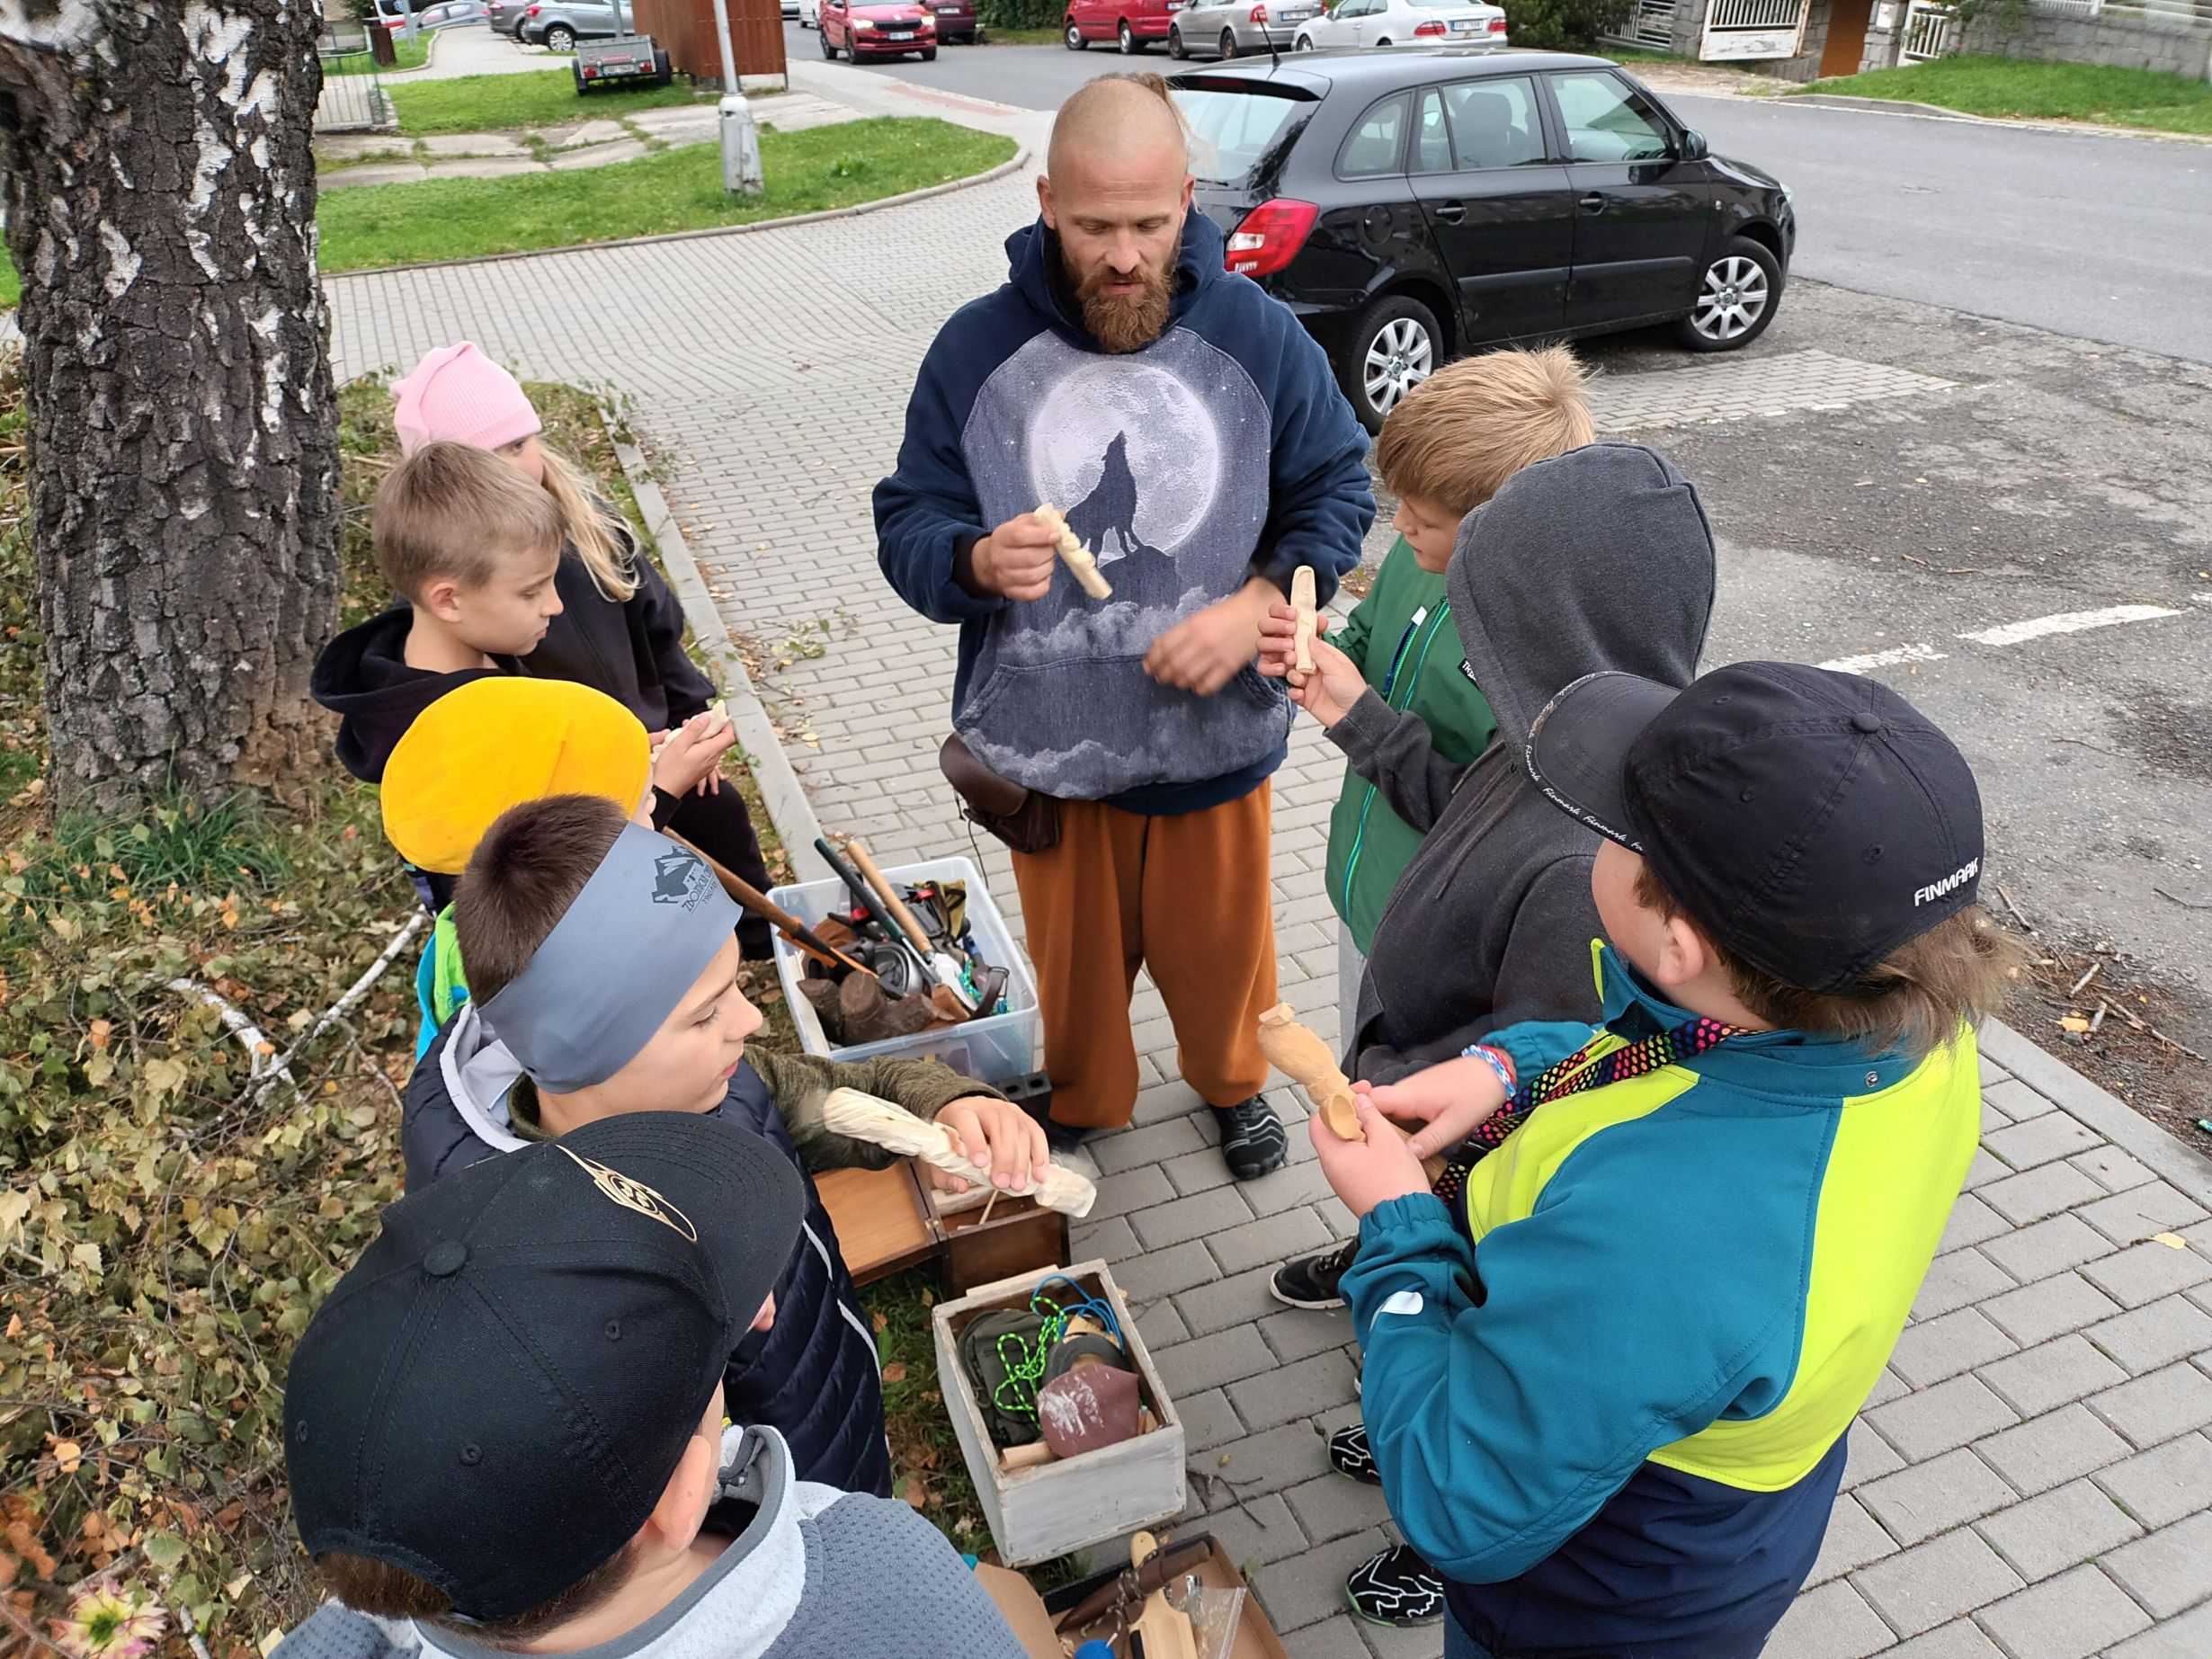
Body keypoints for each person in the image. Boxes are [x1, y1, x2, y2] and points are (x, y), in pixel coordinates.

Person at [1310, 661, 2024, 1658]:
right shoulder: (1901, 1030)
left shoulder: (1671, 1236)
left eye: (1614, 829)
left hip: (1595, 1602)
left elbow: (1457, 1502)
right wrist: (1508, 1068)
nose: (1596, 835)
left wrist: (1397, 1229)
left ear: (1679, 940)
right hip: (1726, 1513)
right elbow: (1697, 1063)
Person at [873, 72, 1374, 1180]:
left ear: (1186, 199)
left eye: (1150, 224)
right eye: (1095, 225)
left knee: (1225, 962)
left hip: (1217, 748)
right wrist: (968, 557)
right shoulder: (975, 352)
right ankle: (1091, 1098)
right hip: (1051, 753)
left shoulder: (1259, 335)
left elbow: (1340, 486)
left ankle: (1234, 1085)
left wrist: (1258, 606)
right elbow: (906, 517)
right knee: (1077, 974)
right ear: (1047, 201)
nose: (1124, 256)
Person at [1257, 442, 1716, 1627]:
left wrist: (1413, 1209)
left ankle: (1438, 1541)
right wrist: (1357, 718)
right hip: (1433, 1093)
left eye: (1482, 625)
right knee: (1423, 1318)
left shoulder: (1588, 862)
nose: (1462, 642)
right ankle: (1411, 1415)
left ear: (1555, 631)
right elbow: (1451, 802)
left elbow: (1552, 1085)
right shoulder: (1543, 744)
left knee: (1462, 1329)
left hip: (1472, 1172)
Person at [403, 793, 1052, 1498]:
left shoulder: (723, 1080)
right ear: (587, 1049)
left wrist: (945, 1102)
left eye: (734, 987)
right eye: (707, 1011)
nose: (747, 1020)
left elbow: (839, 1093)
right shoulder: (518, 1265)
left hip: (826, 1408)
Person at [275, 1111, 1030, 1659]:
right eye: (712, 1371)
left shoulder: (367, 1616)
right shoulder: (887, 1578)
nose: (761, 1314)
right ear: (677, 1504)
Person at [313, 352, 769, 958]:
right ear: (448, 598)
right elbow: (554, 901)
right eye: (532, 591)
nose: (553, 607)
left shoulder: (483, 658)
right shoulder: (449, 737)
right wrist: (659, 792)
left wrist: (637, 751)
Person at [1323, 347, 1593, 1037]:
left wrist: (1358, 718)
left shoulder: (1541, 656)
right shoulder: (1422, 563)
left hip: (1437, 954)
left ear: (1500, 528)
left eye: (1423, 517)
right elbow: (1369, 638)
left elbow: (1484, 824)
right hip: (1367, 899)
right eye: (1399, 504)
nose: (1399, 527)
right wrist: (1317, 655)